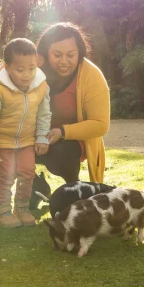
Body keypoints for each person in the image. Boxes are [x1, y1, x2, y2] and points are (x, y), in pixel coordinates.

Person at [0, 39, 51, 228]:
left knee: (27, 173)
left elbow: (44, 113)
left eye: (32, 68)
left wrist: (42, 136)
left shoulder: (41, 86)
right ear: (7, 66)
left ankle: (22, 208)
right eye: (20, 70)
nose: (27, 75)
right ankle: (2, 212)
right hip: (3, 142)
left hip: (27, 141)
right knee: (7, 175)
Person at [35, 23, 110, 184]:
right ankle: (34, 186)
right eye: (57, 55)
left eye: (70, 55)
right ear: (45, 53)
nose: (64, 61)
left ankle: (73, 189)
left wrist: (63, 132)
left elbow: (101, 124)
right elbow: (4, 74)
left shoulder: (91, 75)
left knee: (64, 152)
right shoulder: (31, 68)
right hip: (34, 134)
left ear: (79, 53)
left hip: (69, 139)